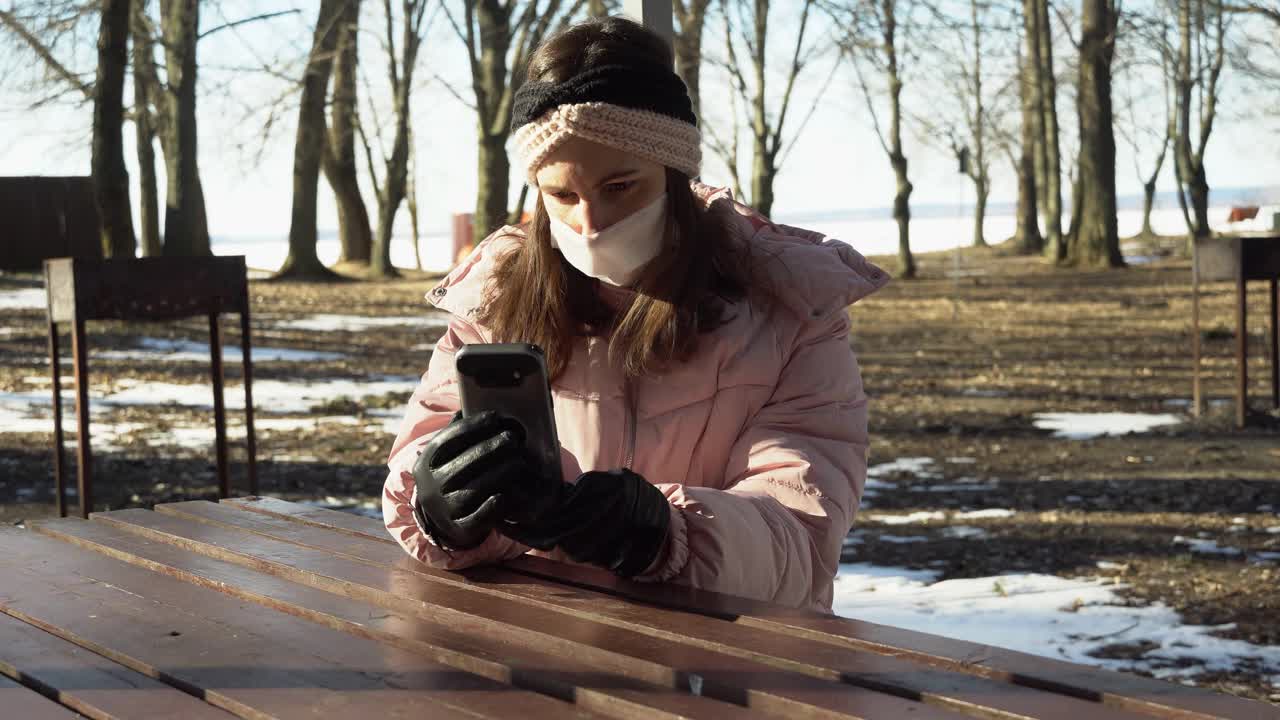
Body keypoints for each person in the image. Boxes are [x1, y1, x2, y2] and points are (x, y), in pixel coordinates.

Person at [382, 16, 888, 611]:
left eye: (621, 185)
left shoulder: (790, 308)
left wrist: (663, 535)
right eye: (563, 196)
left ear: (674, 177)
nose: (590, 223)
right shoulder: (495, 303)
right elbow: (416, 462)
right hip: (546, 643)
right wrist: (445, 509)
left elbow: (803, 534)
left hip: (736, 667)